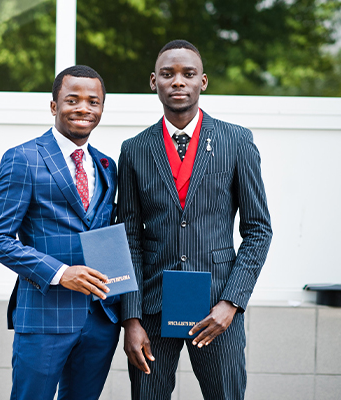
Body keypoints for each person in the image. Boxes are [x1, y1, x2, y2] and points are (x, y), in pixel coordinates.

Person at [117, 40, 273, 400]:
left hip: (218, 306)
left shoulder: (236, 141)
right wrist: (131, 319)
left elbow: (258, 230)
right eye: (168, 74)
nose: (178, 82)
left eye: (188, 74)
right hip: (152, 307)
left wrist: (232, 302)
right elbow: (128, 237)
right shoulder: (134, 149)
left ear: (203, 81)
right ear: (153, 81)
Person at [0, 65, 120, 400]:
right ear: (54, 105)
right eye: (72, 99)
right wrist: (61, 273)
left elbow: (104, 233)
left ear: (102, 108)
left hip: (100, 319)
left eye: (93, 101)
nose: (83, 108)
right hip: (45, 316)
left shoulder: (106, 165)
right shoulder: (23, 158)